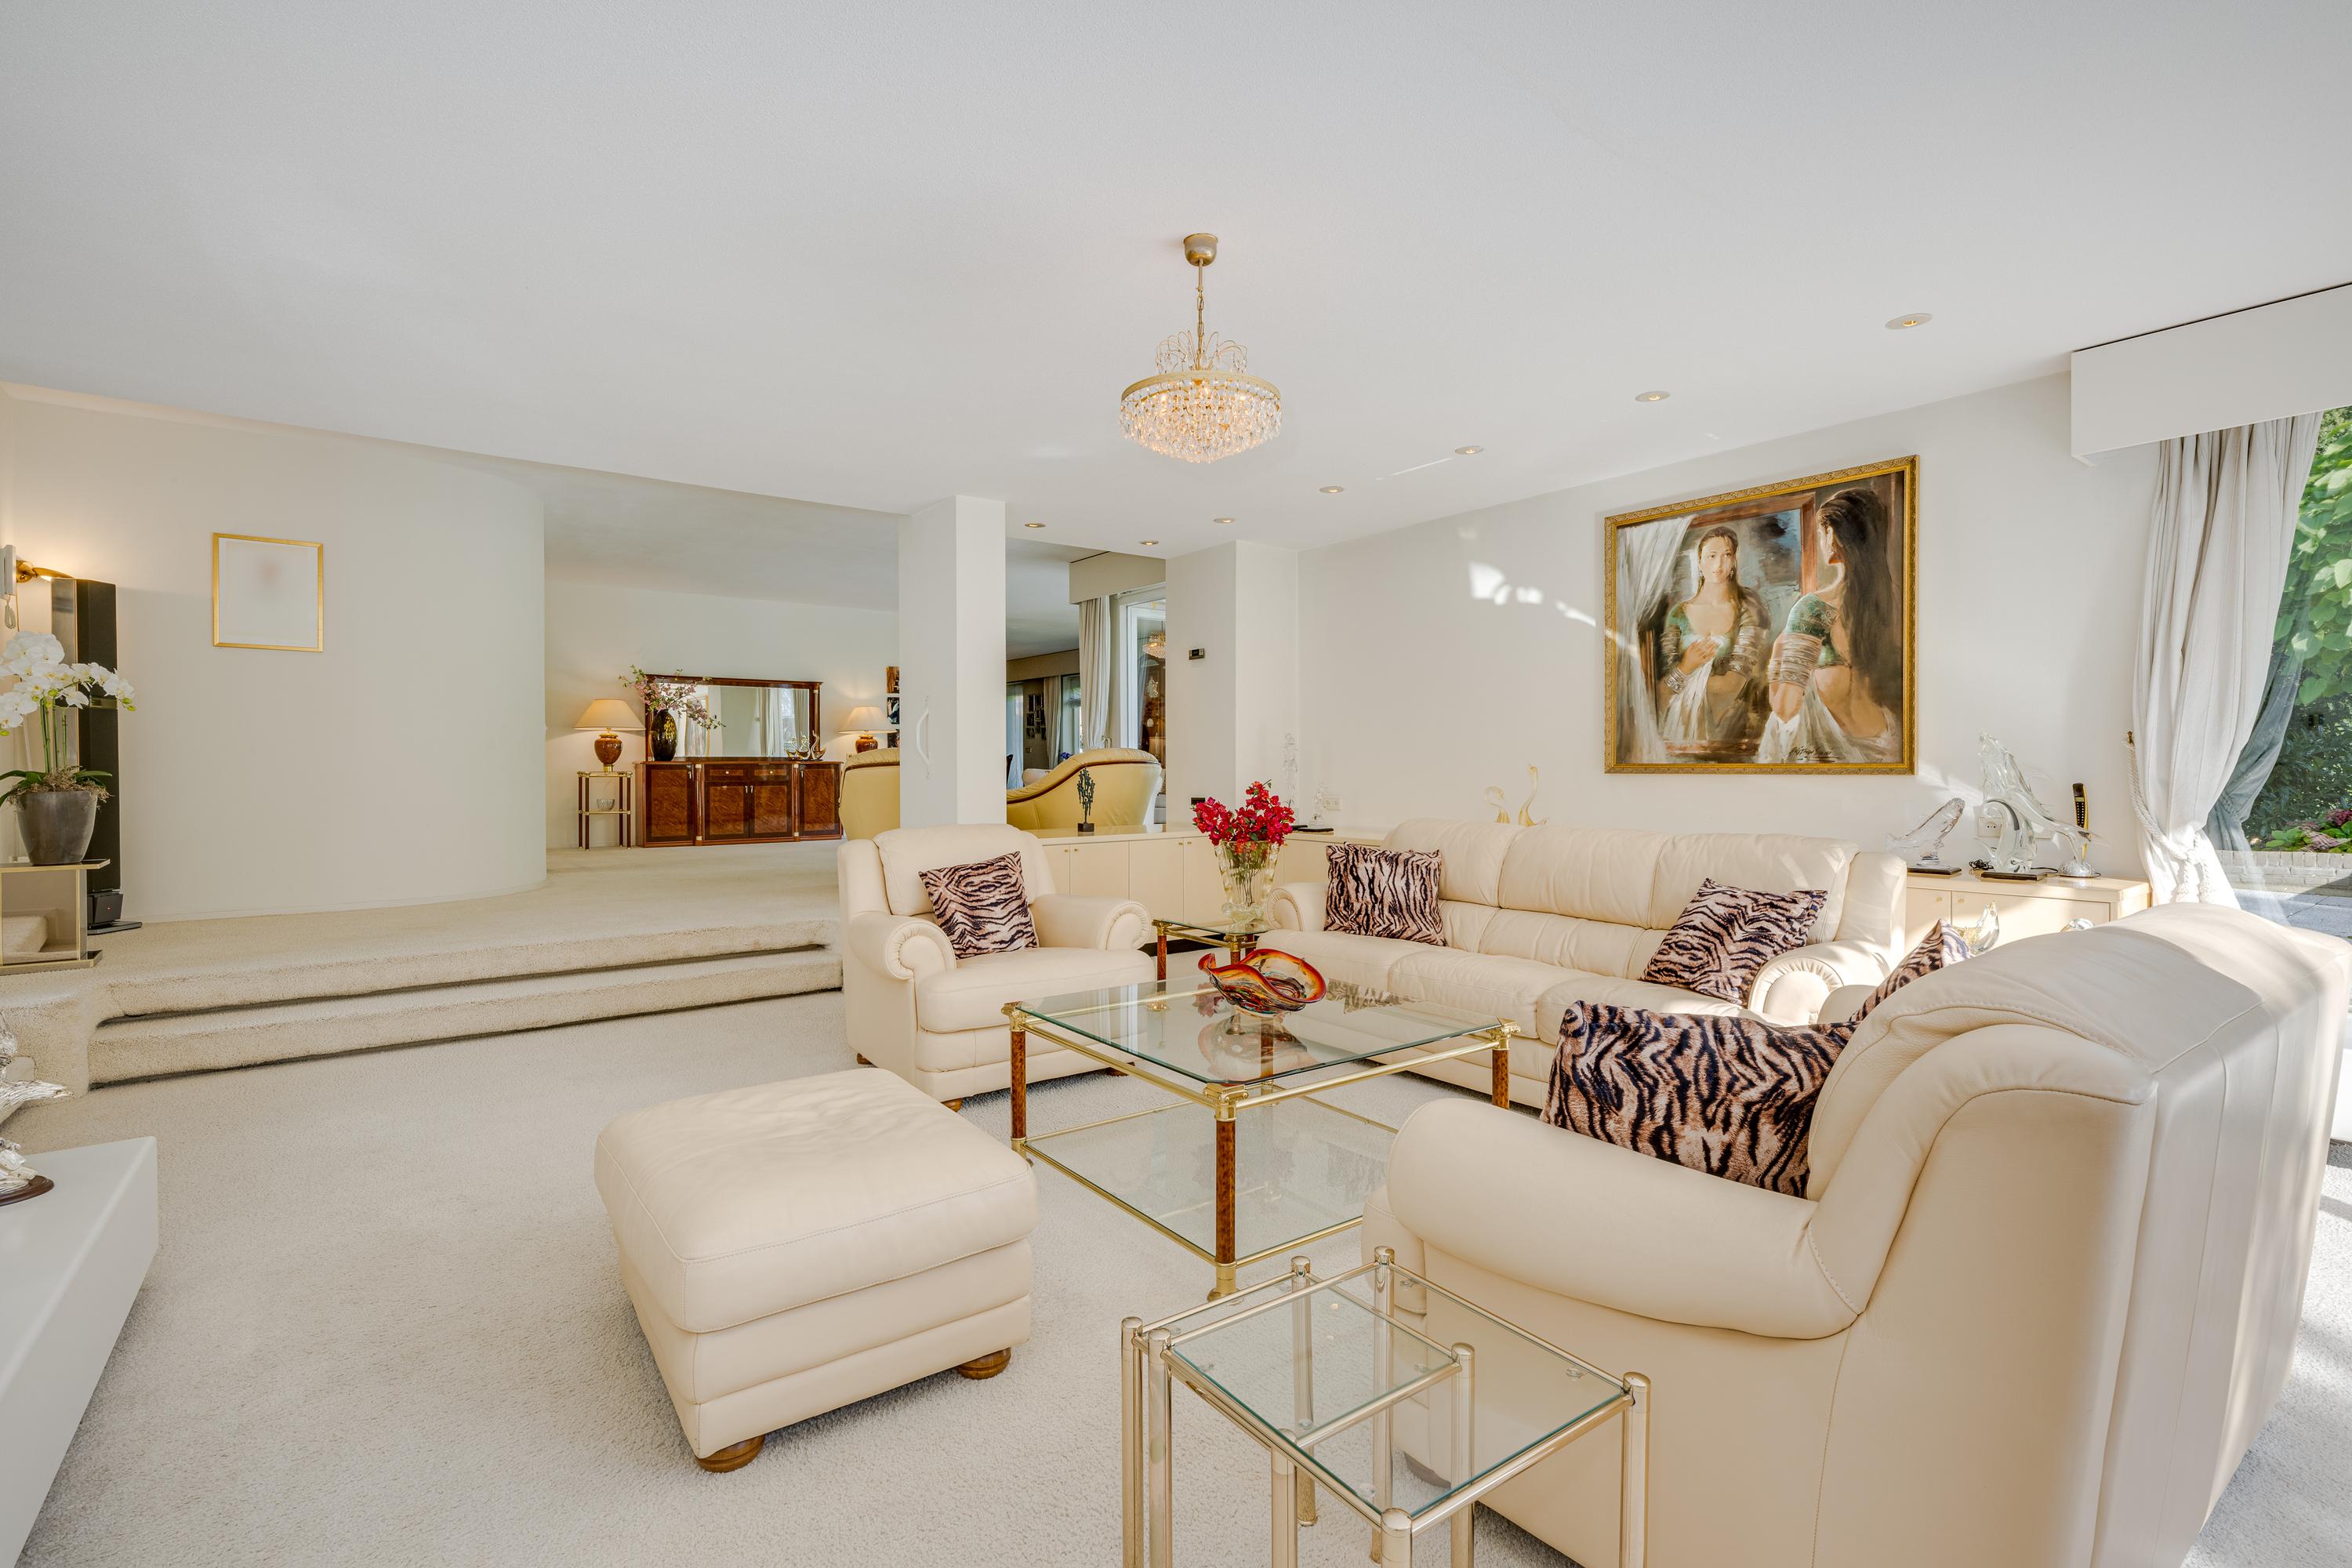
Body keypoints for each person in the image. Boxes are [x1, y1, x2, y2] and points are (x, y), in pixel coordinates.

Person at [1759, 487, 1901, 764]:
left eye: (1821, 532)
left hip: (1830, 760)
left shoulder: (1813, 609)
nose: (1822, 540)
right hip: (1886, 748)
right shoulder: (1890, 606)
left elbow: (1785, 709)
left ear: (1832, 535)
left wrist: (1777, 654)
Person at [1655, 525, 1768, 753]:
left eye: (1727, 555)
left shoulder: (1748, 608)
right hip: (1676, 734)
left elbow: (1734, 684)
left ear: (1734, 560)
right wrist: (1686, 666)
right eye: (1712, 556)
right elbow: (1661, 694)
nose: (1719, 564)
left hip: (1733, 731)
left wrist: (1684, 677)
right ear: (1699, 562)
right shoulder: (1678, 614)